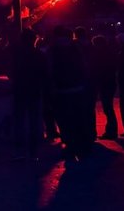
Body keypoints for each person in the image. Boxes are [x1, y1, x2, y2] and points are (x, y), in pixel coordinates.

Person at [48, 26, 90, 160]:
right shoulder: (76, 48)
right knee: (78, 118)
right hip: (77, 89)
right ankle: (81, 146)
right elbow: (84, 67)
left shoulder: (53, 50)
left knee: (65, 120)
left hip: (61, 91)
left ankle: (70, 146)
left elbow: (49, 71)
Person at [9, 30, 47, 160]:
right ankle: (33, 150)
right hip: (35, 91)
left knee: (19, 120)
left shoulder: (17, 56)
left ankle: (20, 149)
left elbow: (11, 72)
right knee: (34, 121)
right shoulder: (39, 55)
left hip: (20, 90)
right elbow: (45, 74)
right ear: (34, 40)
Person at [90, 35, 118, 140]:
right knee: (109, 108)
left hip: (105, 83)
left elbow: (98, 69)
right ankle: (111, 130)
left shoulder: (100, 54)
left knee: (108, 108)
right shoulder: (110, 52)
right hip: (110, 82)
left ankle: (111, 131)